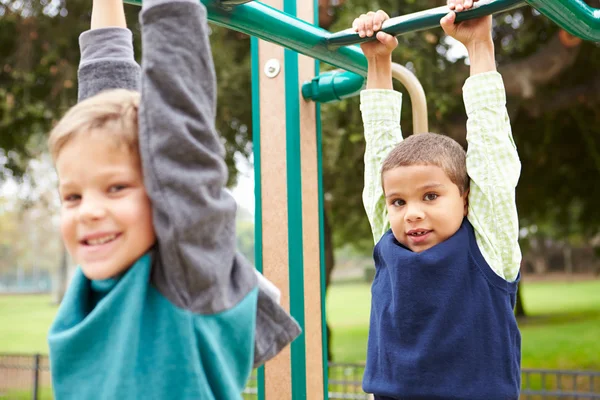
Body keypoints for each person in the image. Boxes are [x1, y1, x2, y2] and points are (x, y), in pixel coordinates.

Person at [47, 0, 300, 398]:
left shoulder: (186, 272)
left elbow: (180, 118)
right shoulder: (108, 272)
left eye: (116, 189)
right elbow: (104, 106)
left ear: (164, 193)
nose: (90, 211)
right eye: (73, 196)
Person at [355, 1, 522, 398]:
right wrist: (378, 62)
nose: (412, 213)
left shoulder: (487, 246)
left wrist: (480, 46)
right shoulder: (389, 241)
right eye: (398, 202)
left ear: (466, 199)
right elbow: (379, 152)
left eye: (430, 196)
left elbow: (492, 152)